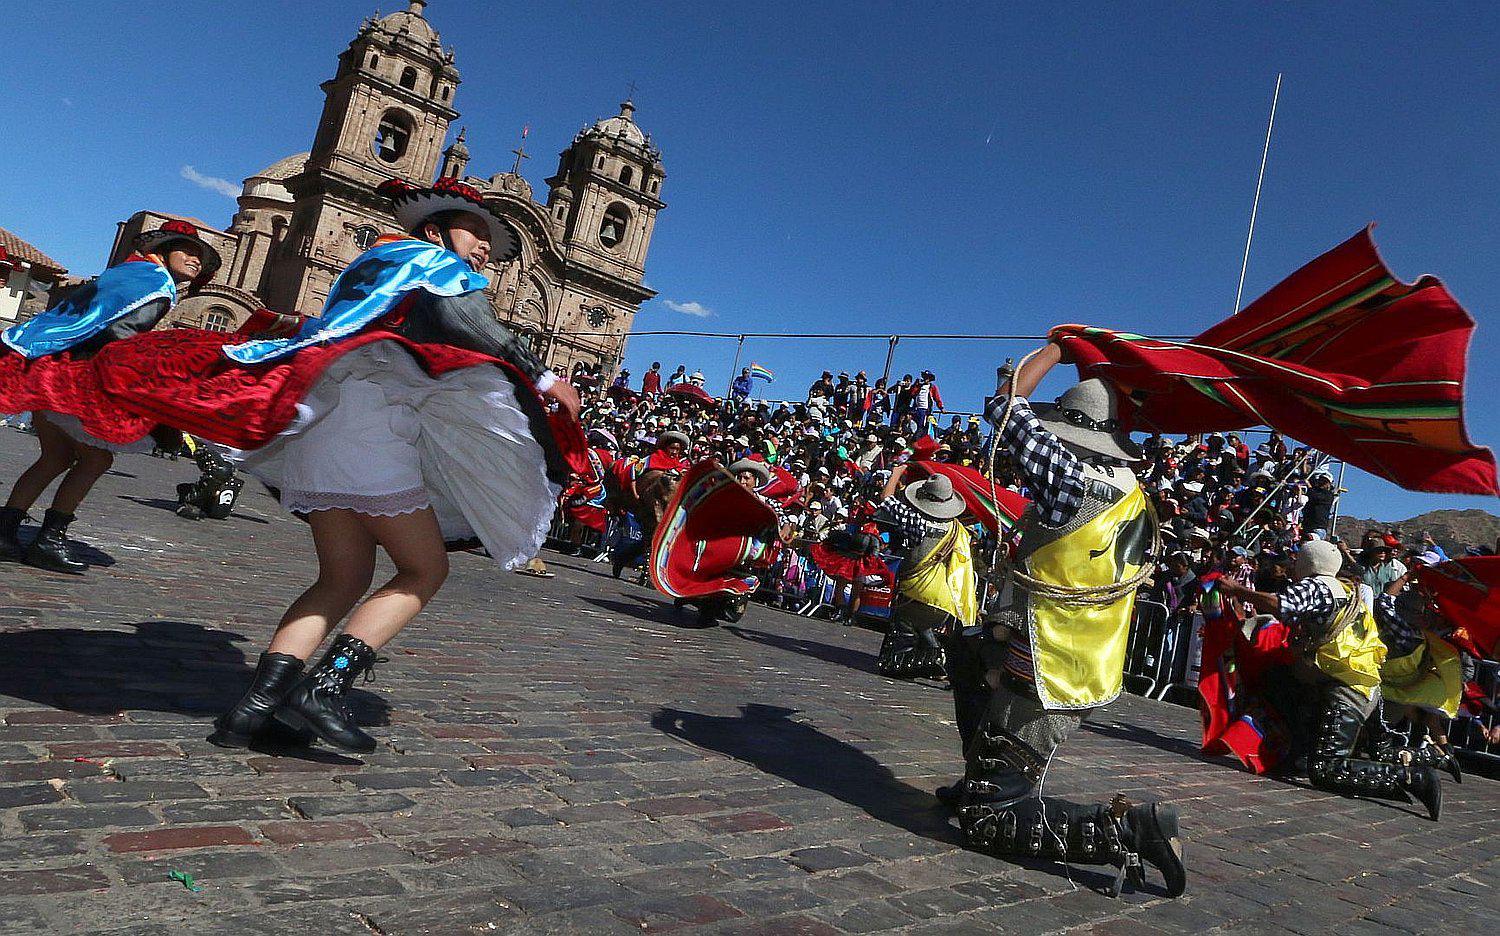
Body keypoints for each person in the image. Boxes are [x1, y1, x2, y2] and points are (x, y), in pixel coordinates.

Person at [207, 177, 581, 753]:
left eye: (488, 239)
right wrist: (546, 377)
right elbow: (473, 325)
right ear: (435, 229)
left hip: (324, 429)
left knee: (343, 577)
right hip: (371, 424)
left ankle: (253, 709)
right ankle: (323, 691)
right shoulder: (432, 263)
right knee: (424, 570)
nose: (482, 248)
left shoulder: (374, 263)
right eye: (474, 232)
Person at [954, 342, 1185, 899]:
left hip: (1047, 651)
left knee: (990, 816)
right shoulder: (1133, 495)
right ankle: (984, 777)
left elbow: (1008, 404)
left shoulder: (1072, 482)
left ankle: (1129, 828)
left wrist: (1056, 348)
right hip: (1079, 654)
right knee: (968, 654)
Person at [0, 220, 221, 573]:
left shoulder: (130, 272)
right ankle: (48, 540)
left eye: (201, 257)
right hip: (75, 376)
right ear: (163, 250)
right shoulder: (155, 282)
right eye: (189, 251)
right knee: (95, 460)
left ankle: (5, 531)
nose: (196, 261)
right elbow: (119, 335)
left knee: (55, 457)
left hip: (48, 366)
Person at [1217, 539, 1443, 820]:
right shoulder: (1348, 590)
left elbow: (1283, 604)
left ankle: (1413, 778)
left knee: (1327, 768)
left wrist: (1238, 590)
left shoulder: (1319, 586)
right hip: (1362, 683)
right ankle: (1434, 756)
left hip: (1346, 688)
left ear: (1308, 562)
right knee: (1377, 747)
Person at [873, 465, 973, 679]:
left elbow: (886, 499)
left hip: (917, 592)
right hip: (945, 599)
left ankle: (907, 662)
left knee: (904, 630)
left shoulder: (916, 522)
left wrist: (897, 473)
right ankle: (938, 661)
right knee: (924, 626)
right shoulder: (956, 529)